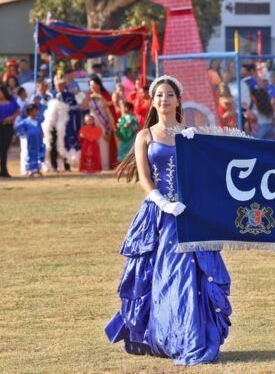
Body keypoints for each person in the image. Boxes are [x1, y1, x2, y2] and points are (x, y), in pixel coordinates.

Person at [107, 75, 231, 365]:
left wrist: (199, 145)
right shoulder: (144, 136)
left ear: (178, 100)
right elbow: (145, 178)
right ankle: (167, 335)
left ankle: (190, 337)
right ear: (153, 102)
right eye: (159, 95)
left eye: (169, 95)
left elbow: (205, 174)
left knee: (189, 278)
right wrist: (163, 202)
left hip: (189, 215)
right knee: (161, 277)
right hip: (159, 216)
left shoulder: (190, 134)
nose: (164, 99)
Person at [14, 104, 44, 177]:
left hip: (37, 140)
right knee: (28, 154)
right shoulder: (25, 122)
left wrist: (41, 136)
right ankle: (28, 169)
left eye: (37, 111)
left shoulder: (37, 121)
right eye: (34, 111)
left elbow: (40, 130)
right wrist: (24, 134)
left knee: (37, 154)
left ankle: (36, 169)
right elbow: (18, 129)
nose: (36, 112)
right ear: (29, 112)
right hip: (29, 141)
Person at [0, 85, 20, 177]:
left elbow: (18, 111)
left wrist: (12, 118)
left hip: (8, 127)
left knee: (4, 149)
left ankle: (4, 170)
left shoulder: (12, 101)